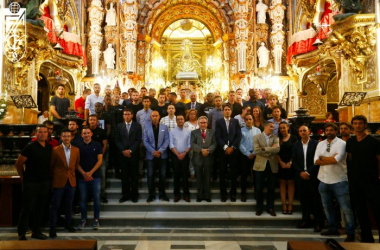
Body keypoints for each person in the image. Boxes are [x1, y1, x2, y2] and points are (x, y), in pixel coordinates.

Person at [314, 123, 355, 242]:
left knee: (346, 208)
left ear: (336, 131)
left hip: (339, 180)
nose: (329, 132)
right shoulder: (320, 144)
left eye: (331, 130)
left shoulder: (342, 144)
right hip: (323, 179)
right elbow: (315, 161)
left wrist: (323, 158)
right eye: (327, 130)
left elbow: (336, 160)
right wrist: (326, 159)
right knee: (327, 207)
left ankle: (350, 231)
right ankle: (332, 227)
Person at [346, 115, 380, 243]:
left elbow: (378, 159)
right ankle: (366, 237)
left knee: (377, 209)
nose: (358, 125)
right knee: (360, 211)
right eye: (355, 123)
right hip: (355, 181)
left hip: (371, 181)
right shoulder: (351, 142)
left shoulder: (373, 141)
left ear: (365, 125)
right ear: (352, 125)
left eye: (360, 123)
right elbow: (350, 158)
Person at [16, 125, 52, 240]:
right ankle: (21, 232)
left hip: (44, 182)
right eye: (40, 132)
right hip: (31, 182)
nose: (42, 134)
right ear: (36, 134)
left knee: (40, 208)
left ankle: (36, 231)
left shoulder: (49, 147)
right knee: (27, 208)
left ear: (48, 134)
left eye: (45, 132)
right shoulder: (30, 147)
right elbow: (18, 163)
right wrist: (23, 177)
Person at [49, 129, 80, 238]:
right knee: (55, 205)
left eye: (68, 136)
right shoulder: (55, 150)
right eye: (64, 136)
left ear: (71, 137)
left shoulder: (76, 150)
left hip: (71, 181)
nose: (66, 138)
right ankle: (52, 228)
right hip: (59, 180)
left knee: (69, 205)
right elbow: (51, 166)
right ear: (61, 138)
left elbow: (76, 165)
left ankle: (68, 224)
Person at [292, 125, 324, 232]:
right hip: (300, 176)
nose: (302, 132)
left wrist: (308, 172)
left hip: (313, 175)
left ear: (308, 131)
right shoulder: (296, 145)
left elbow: (318, 159)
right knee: (303, 199)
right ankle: (306, 219)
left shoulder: (316, 144)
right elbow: (294, 160)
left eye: (304, 130)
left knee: (316, 199)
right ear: (299, 133)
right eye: (300, 131)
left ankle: (318, 222)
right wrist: (301, 172)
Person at [76, 126, 103, 230]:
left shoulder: (97, 145)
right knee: (82, 198)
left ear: (91, 134)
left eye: (88, 133)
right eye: (84, 133)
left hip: (95, 176)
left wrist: (90, 173)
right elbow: (76, 162)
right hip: (82, 176)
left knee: (96, 197)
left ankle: (96, 219)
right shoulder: (77, 147)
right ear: (82, 135)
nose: (86, 135)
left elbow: (100, 160)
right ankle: (83, 219)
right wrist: (84, 173)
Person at [215, 103, 242, 202]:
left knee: (233, 173)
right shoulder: (219, 122)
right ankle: (223, 194)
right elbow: (218, 136)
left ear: (231, 111)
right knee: (222, 173)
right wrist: (226, 147)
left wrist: (232, 147)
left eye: (228, 109)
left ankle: (233, 193)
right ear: (223, 111)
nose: (227, 111)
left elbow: (238, 136)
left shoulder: (235, 121)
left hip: (233, 151)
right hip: (222, 151)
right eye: (225, 109)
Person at [253, 121, 280, 216]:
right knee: (259, 188)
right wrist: (270, 150)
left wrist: (264, 148)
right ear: (265, 127)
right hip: (260, 165)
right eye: (271, 126)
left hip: (272, 165)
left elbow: (277, 149)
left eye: (273, 127)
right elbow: (257, 150)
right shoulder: (257, 137)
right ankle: (259, 208)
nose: (272, 128)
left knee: (271, 188)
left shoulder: (275, 138)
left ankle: (270, 208)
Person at [143, 111, 170, 202]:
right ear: (150, 117)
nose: (154, 117)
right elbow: (145, 141)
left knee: (163, 175)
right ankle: (151, 195)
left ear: (159, 117)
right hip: (151, 155)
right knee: (150, 175)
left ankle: (162, 194)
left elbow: (167, 140)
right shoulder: (146, 128)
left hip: (162, 155)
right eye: (153, 116)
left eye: (156, 116)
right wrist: (153, 151)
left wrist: (160, 151)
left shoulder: (164, 127)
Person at [116, 108, 142, 203]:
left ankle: (134, 195)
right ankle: (125, 195)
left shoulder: (137, 126)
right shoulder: (119, 126)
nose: (126, 116)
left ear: (132, 115)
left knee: (134, 176)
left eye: (128, 114)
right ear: (123, 116)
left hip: (134, 154)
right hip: (123, 155)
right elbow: (117, 140)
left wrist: (130, 150)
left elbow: (138, 140)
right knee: (124, 176)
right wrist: (123, 150)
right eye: (125, 114)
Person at [191, 116, 217, 202]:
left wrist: (208, 151)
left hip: (208, 157)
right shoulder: (194, 132)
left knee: (207, 177)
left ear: (207, 123)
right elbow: (192, 144)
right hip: (198, 158)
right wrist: (201, 150)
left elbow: (215, 143)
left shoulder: (212, 132)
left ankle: (207, 195)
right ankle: (199, 195)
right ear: (198, 124)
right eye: (201, 123)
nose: (203, 124)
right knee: (199, 178)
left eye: (204, 122)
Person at [239, 114, 261, 202]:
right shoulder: (241, 131)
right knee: (244, 175)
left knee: (256, 176)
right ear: (244, 120)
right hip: (245, 155)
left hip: (256, 154)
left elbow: (260, 143)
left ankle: (257, 194)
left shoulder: (258, 130)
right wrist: (248, 153)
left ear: (253, 120)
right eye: (247, 119)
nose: (248, 121)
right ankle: (243, 194)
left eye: (250, 119)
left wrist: (254, 153)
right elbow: (240, 144)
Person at [170, 114, 191, 202]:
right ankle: (177, 195)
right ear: (176, 121)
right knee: (176, 176)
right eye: (178, 119)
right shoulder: (172, 131)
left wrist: (184, 153)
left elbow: (190, 144)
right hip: (175, 156)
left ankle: (186, 194)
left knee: (185, 176)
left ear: (184, 120)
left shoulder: (188, 131)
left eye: (181, 119)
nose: (180, 121)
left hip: (185, 156)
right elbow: (171, 144)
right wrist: (177, 154)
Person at [277, 122, 297, 214]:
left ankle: (290, 205)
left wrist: (291, 162)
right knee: (282, 183)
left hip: (291, 164)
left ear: (288, 127)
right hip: (281, 164)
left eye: (284, 128)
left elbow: (296, 151)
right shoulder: (277, 138)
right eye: (280, 128)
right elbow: (276, 152)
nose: (282, 130)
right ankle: (284, 204)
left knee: (290, 183)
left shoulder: (293, 138)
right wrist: (280, 162)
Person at [88, 114, 108, 203]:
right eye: (91, 119)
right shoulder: (85, 131)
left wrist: (100, 155)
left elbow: (105, 145)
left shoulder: (101, 131)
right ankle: (90, 196)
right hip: (88, 158)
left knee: (102, 176)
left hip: (99, 158)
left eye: (94, 120)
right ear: (88, 121)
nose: (92, 121)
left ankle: (102, 195)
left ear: (97, 122)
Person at [184, 109, 199, 178]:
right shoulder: (186, 124)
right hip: (190, 144)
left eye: (194, 114)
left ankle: (199, 172)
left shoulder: (199, 122)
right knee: (191, 158)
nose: (192, 115)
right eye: (191, 114)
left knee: (199, 159)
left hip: (200, 144)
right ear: (188, 115)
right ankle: (192, 172)